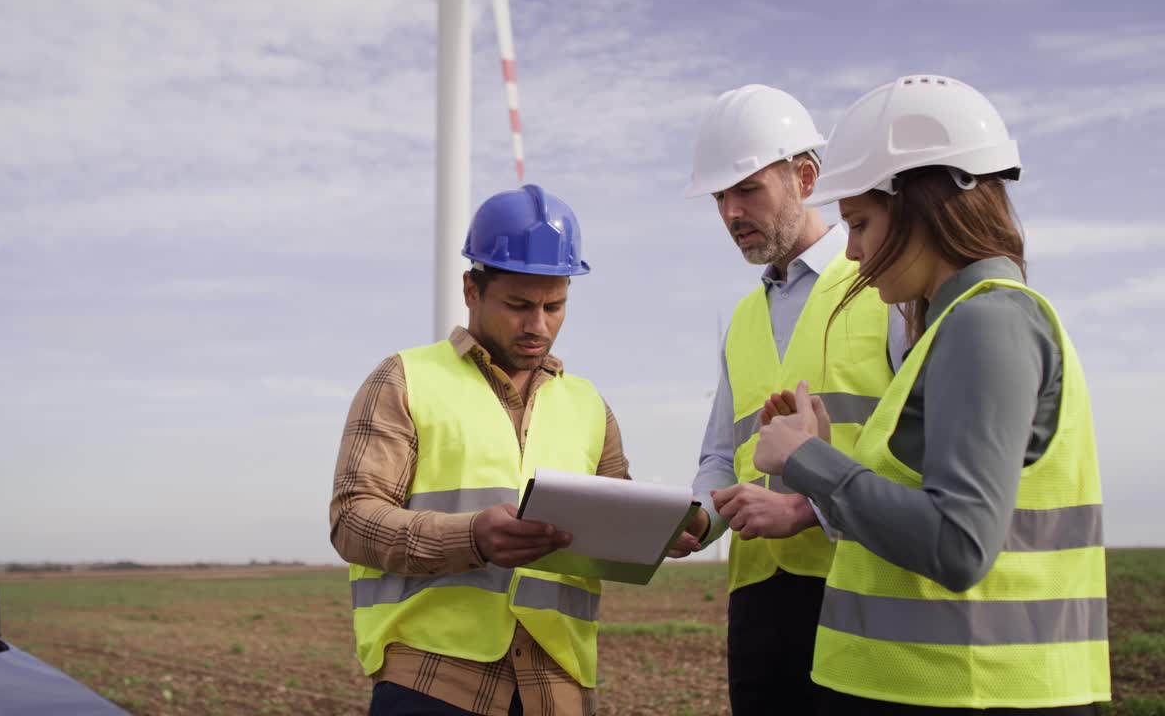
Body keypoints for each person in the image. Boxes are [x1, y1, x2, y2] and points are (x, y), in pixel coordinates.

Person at [752, 75, 1110, 714]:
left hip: (972, 692)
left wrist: (806, 461)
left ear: (922, 204)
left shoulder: (985, 322)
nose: (853, 253)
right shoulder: (958, 325)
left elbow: (958, 546)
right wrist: (823, 456)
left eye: (860, 223)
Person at [331, 184, 633, 716]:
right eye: (518, 305)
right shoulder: (403, 379)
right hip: (433, 681)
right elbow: (353, 520)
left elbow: (619, 529)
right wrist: (472, 536)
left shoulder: (589, 405)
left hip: (557, 686)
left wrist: (670, 532)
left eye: (555, 306)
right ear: (471, 289)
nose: (538, 325)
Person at [673, 84, 907, 716]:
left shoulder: (884, 287)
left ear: (806, 177)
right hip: (758, 611)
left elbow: (919, 446)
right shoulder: (743, 321)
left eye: (747, 190)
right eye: (719, 198)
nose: (731, 212)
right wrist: (698, 517)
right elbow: (719, 457)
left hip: (861, 587)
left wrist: (811, 509)